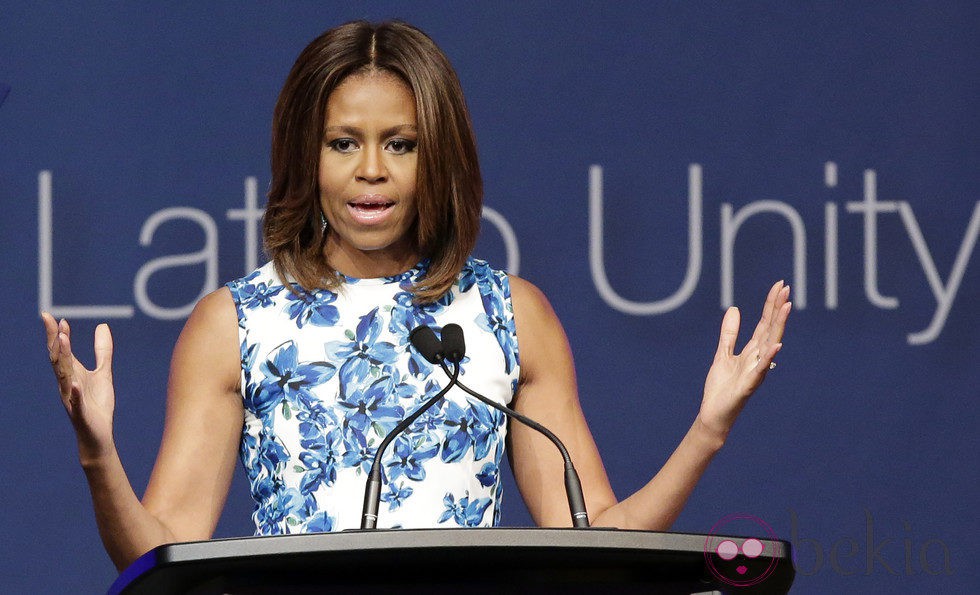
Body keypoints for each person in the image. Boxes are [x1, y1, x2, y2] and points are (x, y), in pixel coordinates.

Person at [42, 20, 790, 572]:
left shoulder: (511, 314)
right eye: (344, 143)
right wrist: (98, 455)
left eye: (400, 143)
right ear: (307, 153)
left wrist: (708, 430)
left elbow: (600, 545)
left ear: (440, 155)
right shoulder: (234, 323)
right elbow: (162, 558)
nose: (372, 170)